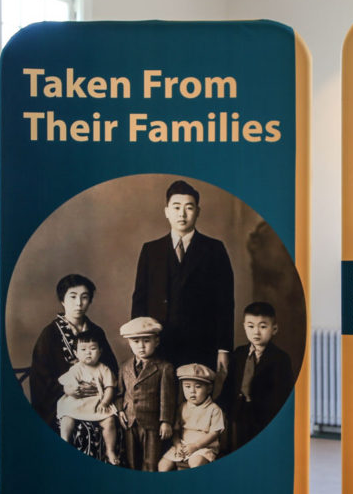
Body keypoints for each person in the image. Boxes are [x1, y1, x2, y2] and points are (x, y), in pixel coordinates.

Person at [131, 180, 234, 374]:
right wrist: (138, 342)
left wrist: (223, 348)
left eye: (189, 207)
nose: (182, 214)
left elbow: (225, 303)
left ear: (198, 211)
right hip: (158, 343)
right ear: (166, 211)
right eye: (176, 207)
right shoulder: (150, 250)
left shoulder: (214, 249)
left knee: (196, 401)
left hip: (202, 343)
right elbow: (140, 298)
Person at [29, 274, 120, 461]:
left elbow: (111, 368)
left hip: (99, 398)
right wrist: (66, 388)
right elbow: (40, 377)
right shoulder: (50, 334)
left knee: (111, 421)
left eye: (84, 297)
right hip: (63, 400)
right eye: (72, 296)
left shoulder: (96, 332)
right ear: (62, 300)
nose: (79, 303)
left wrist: (101, 389)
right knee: (82, 429)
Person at [219, 302, 293, 450]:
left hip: (264, 417)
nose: (256, 332)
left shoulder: (280, 358)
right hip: (237, 414)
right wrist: (217, 408)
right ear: (244, 326)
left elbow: (281, 394)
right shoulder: (239, 354)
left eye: (263, 326)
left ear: (274, 329)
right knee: (236, 449)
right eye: (251, 326)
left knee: (259, 450)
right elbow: (229, 385)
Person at [117, 317, 176, 472]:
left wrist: (166, 421)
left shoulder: (165, 368)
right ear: (129, 343)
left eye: (146, 341)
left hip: (152, 423)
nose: (141, 346)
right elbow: (119, 393)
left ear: (156, 341)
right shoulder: (124, 367)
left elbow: (167, 398)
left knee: (151, 461)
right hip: (130, 421)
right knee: (131, 459)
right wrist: (120, 411)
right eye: (135, 341)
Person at [55, 330, 119, 465]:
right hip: (78, 402)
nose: (88, 352)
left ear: (100, 351)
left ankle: (110, 450)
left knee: (110, 421)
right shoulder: (76, 369)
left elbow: (109, 388)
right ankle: (64, 444)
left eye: (93, 348)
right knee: (67, 417)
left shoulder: (104, 369)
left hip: (97, 402)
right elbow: (67, 385)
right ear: (76, 353)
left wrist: (105, 402)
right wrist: (71, 391)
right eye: (83, 349)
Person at [159, 363, 225, 471]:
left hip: (203, 446)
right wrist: (177, 445)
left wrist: (196, 446)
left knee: (195, 462)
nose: (192, 391)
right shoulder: (182, 407)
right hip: (183, 445)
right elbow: (176, 430)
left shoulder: (214, 409)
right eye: (187, 386)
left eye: (198, 387)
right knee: (163, 465)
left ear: (209, 389)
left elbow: (214, 433)